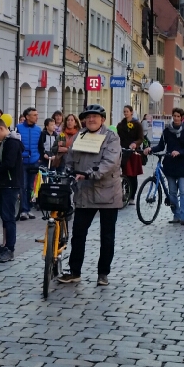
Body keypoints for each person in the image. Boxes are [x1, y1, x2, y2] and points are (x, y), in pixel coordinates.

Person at [58, 104, 123, 286]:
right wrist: (69, 170)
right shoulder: (81, 135)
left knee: (107, 236)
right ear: (84, 120)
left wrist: (90, 173)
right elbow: (70, 157)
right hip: (85, 191)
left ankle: (103, 273)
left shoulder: (111, 138)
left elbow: (109, 162)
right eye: (89, 117)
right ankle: (75, 271)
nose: (92, 119)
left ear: (102, 120)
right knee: (78, 233)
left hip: (107, 193)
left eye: (95, 116)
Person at [145, 108, 184, 226]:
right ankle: (176, 215)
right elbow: (161, 146)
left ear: (182, 118)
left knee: (182, 191)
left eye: (178, 116)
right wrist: (150, 149)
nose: (176, 118)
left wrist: (179, 152)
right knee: (172, 192)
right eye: (174, 116)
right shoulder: (167, 131)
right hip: (169, 164)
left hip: (182, 164)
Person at [0, 116, 23, 263]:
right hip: (4, 183)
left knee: (9, 218)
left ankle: (10, 249)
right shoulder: (6, 142)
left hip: (10, 183)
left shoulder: (12, 143)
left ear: (1, 128)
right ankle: (5, 245)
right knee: (5, 218)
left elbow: (9, 164)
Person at [15, 107, 41, 220]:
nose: (36, 117)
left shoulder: (39, 130)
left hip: (34, 161)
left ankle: (29, 209)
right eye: (34, 115)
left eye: (37, 114)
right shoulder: (18, 128)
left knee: (31, 187)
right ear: (27, 117)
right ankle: (23, 210)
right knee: (23, 186)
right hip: (22, 162)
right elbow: (15, 144)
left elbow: (41, 145)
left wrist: (39, 157)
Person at [117, 105, 145, 198]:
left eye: (127, 111)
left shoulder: (137, 124)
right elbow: (118, 137)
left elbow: (141, 138)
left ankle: (132, 196)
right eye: (124, 112)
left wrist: (135, 144)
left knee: (132, 175)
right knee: (124, 174)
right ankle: (125, 193)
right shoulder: (121, 125)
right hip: (123, 151)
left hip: (133, 152)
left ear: (131, 112)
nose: (125, 113)